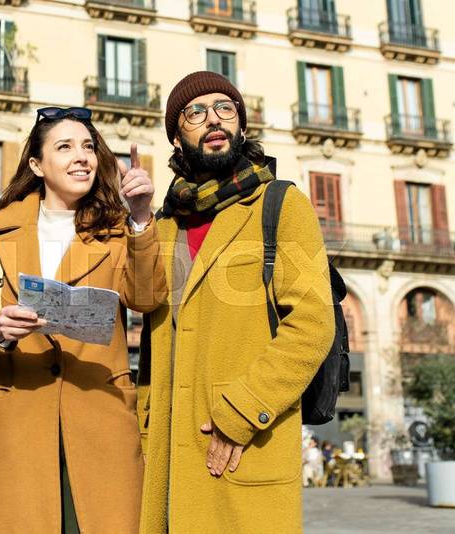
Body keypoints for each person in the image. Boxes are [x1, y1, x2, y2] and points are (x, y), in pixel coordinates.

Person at [138, 72, 335, 533]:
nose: (213, 119)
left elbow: (312, 323)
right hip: (167, 462)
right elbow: (141, 303)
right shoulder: (164, 224)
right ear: (176, 136)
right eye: (195, 112)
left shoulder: (282, 205)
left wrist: (244, 410)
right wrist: (139, 220)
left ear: (241, 127)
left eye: (225, 109)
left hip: (245, 446)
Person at [0, 106, 167, 533]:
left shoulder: (119, 229)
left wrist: (141, 217)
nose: (82, 157)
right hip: (16, 420)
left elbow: (147, 299)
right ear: (37, 165)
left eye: (88, 146)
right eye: (65, 147)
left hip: (100, 417)